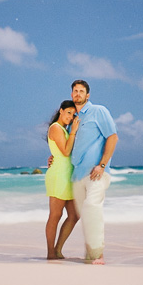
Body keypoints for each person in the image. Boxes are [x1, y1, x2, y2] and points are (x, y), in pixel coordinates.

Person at [50, 80, 118, 264]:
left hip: (96, 173)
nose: (78, 94)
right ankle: (90, 255)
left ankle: (97, 254)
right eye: (75, 91)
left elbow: (112, 137)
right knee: (82, 214)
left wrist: (102, 165)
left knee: (92, 208)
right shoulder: (72, 120)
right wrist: (53, 158)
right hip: (76, 176)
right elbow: (67, 147)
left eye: (81, 91)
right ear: (72, 95)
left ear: (88, 95)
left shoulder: (99, 111)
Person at [45, 100, 81, 260]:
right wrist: (74, 131)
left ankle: (58, 249)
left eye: (73, 115)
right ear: (61, 111)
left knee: (74, 215)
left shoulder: (64, 130)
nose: (70, 117)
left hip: (68, 176)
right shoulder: (55, 128)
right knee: (55, 215)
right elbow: (66, 152)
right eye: (68, 113)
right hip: (59, 176)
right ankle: (51, 253)